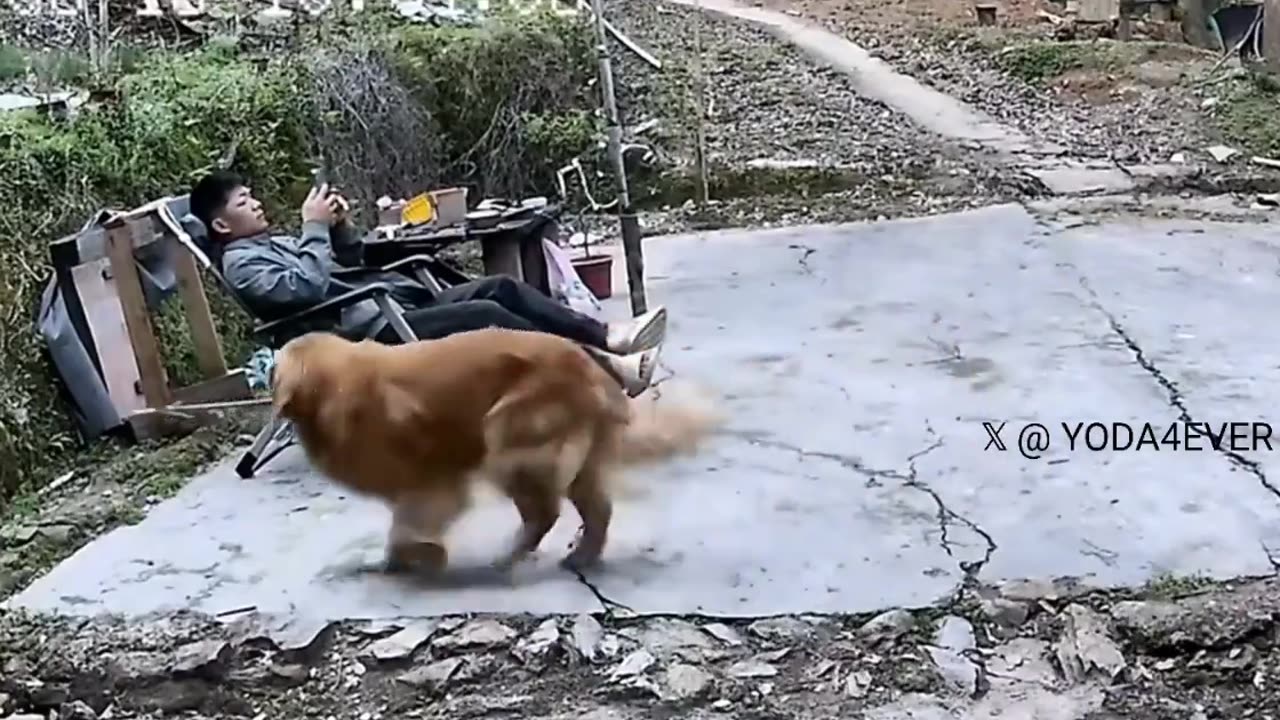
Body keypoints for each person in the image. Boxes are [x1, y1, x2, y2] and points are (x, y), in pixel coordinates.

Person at [187, 170, 666, 396]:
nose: (255, 205)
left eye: (252, 196)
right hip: (363, 333)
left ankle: (607, 336)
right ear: (222, 226)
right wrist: (313, 229)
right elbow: (308, 294)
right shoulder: (242, 265)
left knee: (500, 287)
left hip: (388, 305)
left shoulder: (274, 244)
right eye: (243, 202)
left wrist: (337, 228)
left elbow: (349, 259)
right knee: (488, 318)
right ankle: (605, 370)